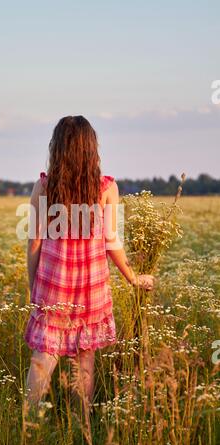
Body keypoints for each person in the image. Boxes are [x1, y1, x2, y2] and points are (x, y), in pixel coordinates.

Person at [24, 115, 154, 410]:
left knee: (45, 355)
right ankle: (83, 425)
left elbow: (33, 244)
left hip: (52, 285)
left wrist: (33, 289)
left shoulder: (43, 189)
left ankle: (27, 422)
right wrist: (133, 277)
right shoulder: (106, 189)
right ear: (90, 150)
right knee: (85, 358)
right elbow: (112, 242)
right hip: (91, 286)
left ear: (56, 149)